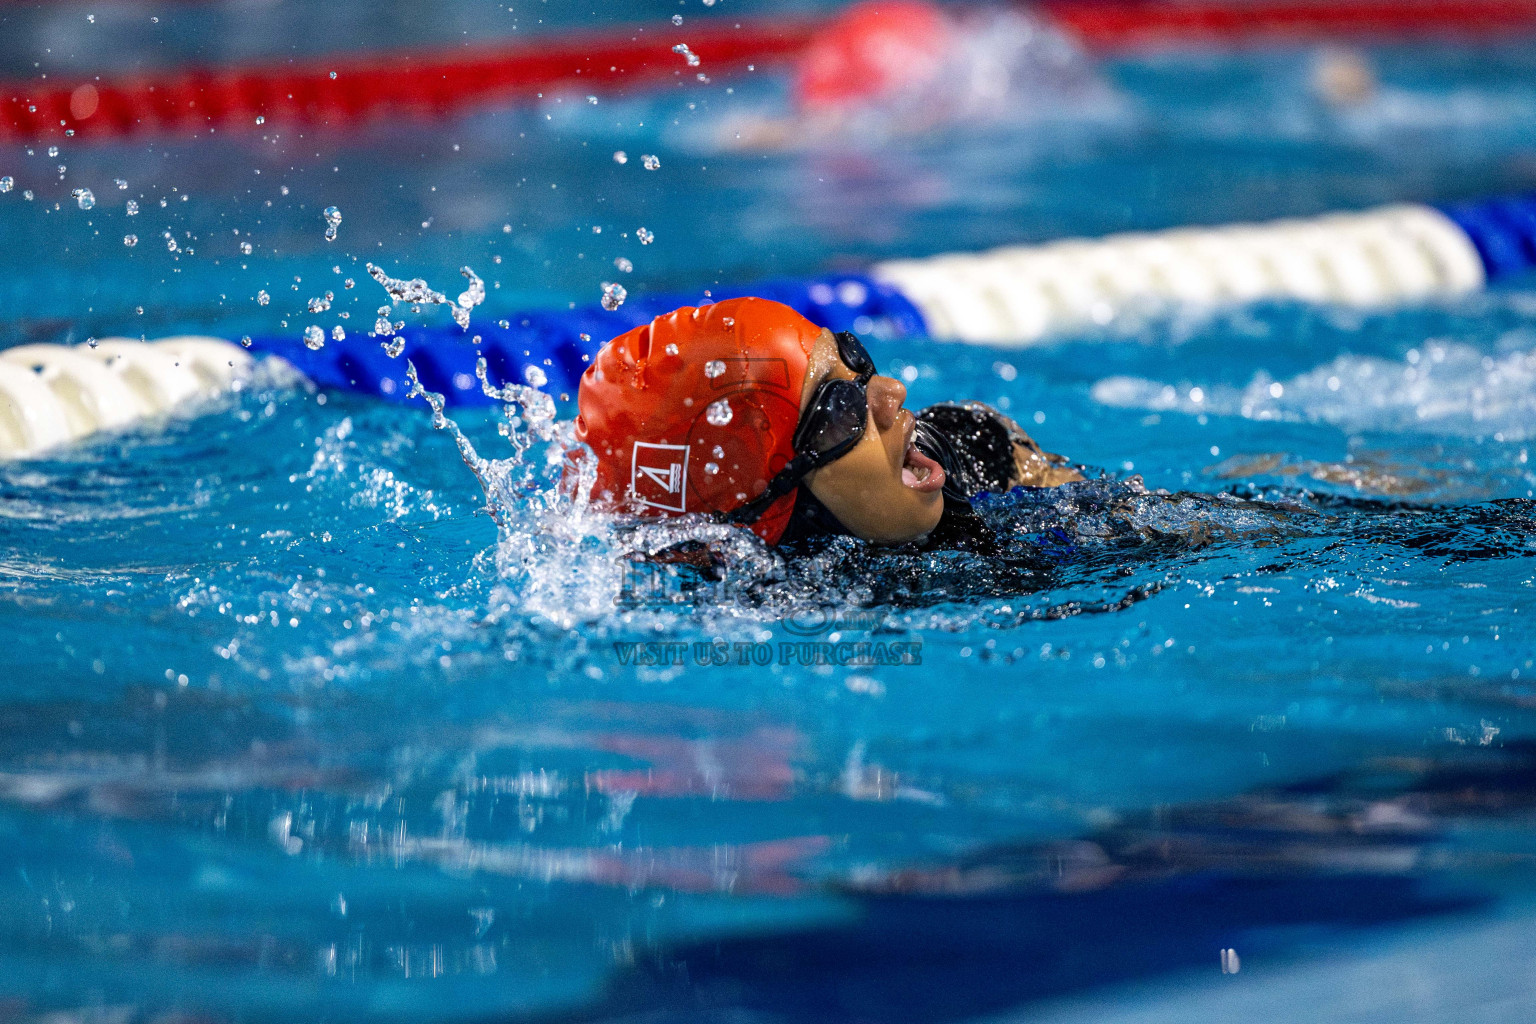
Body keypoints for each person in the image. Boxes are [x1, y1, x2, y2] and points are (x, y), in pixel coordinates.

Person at [574, 297, 1079, 552]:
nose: (891, 393)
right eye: (840, 407)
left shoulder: (975, 452)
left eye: (855, 359)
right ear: (768, 501)